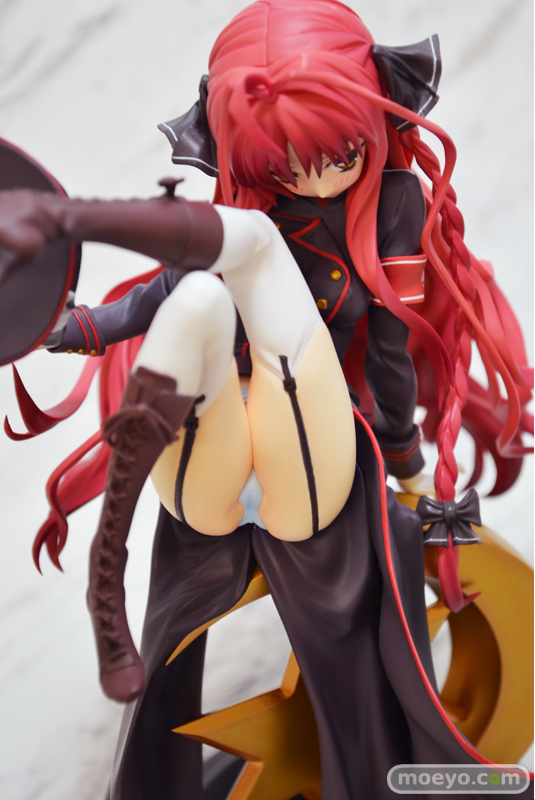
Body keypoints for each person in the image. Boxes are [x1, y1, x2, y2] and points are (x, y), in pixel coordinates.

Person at [0, 1, 531, 798]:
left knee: (245, 250)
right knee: (198, 299)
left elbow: (390, 355)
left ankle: (62, 217)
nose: (316, 181)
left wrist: (407, 468)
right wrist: (70, 329)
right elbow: (156, 299)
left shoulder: (391, 207)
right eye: (287, 169)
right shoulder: (244, 208)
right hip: (210, 478)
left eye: (340, 156)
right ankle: (108, 561)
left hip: (305, 468)